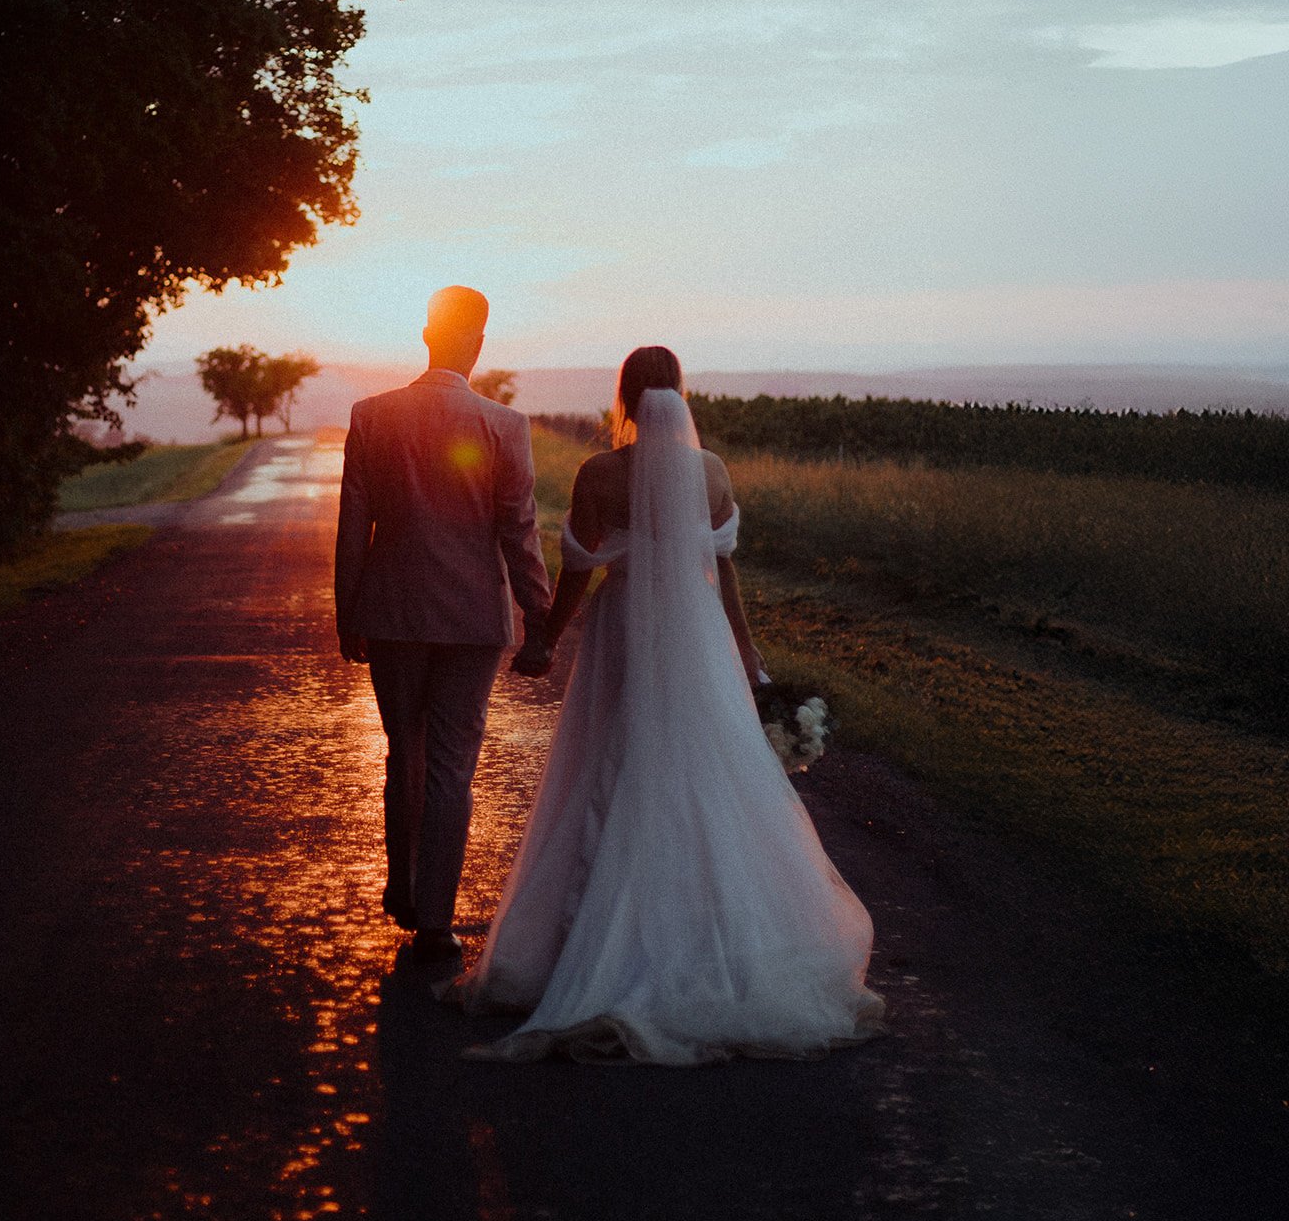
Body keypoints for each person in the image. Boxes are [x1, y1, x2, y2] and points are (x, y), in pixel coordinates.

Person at [447, 346, 885, 1062]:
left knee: (608, 770)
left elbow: (579, 573)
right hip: (698, 633)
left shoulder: (599, 474)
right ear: (680, 393)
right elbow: (725, 571)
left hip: (624, 632)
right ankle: (713, 946)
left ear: (622, 397)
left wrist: (546, 642)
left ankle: (596, 948)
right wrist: (746, 655)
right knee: (702, 772)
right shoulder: (709, 471)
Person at [336, 286, 553, 962]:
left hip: (393, 611)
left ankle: (402, 885)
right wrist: (539, 612)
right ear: (478, 345)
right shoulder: (503, 425)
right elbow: (518, 528)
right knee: (452, 766)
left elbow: (352, 527)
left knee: (406, 750)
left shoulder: (372, 415)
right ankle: (434, 919)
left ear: (425, 337)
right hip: (472, 619)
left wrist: (350, 614)